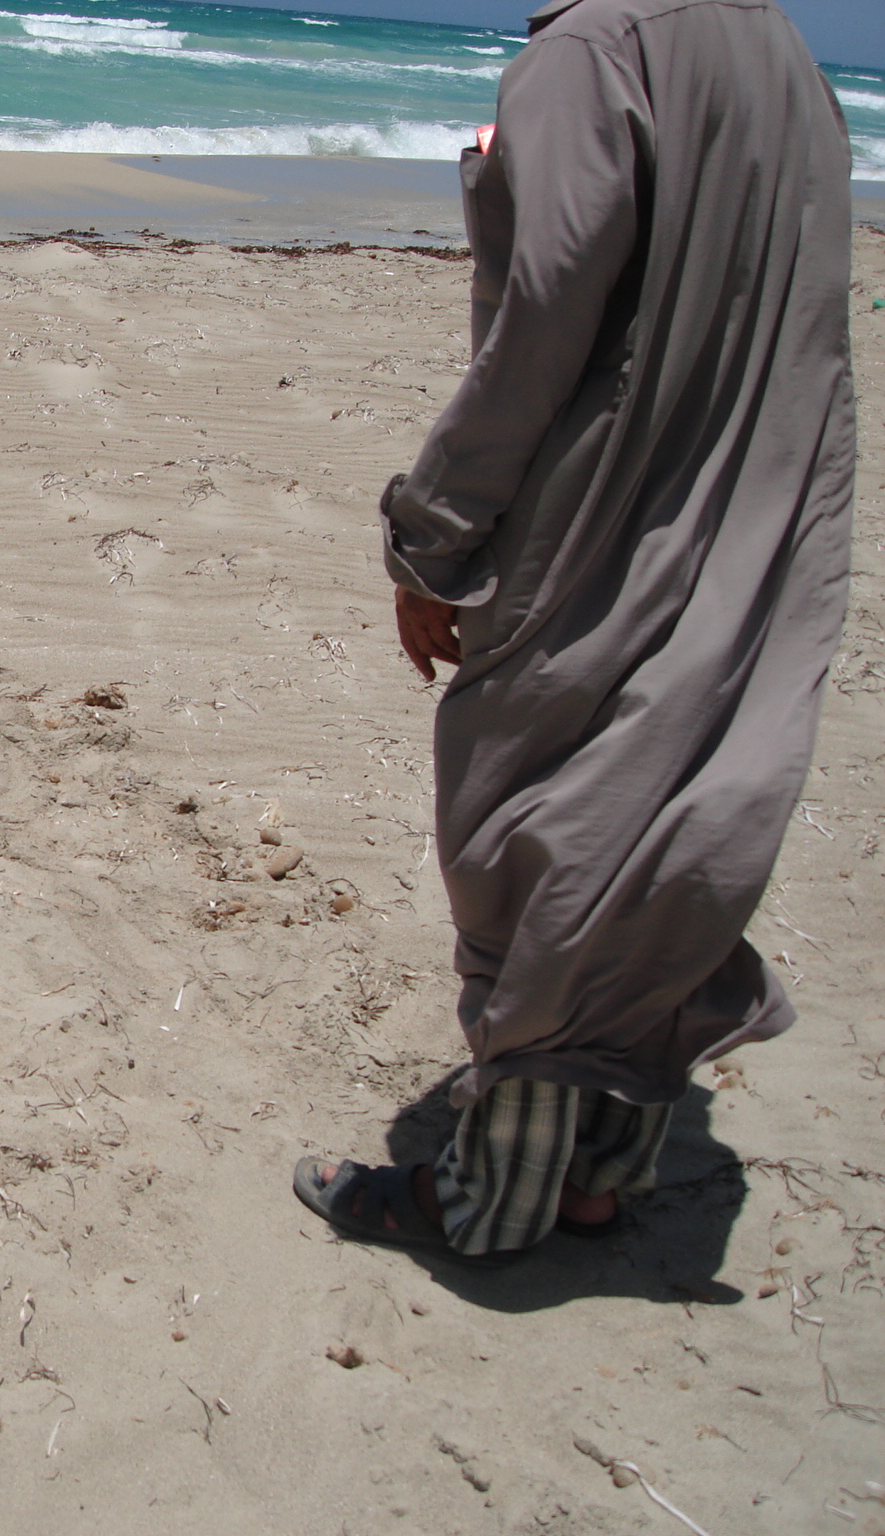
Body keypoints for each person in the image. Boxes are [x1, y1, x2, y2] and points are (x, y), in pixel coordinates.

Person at [294, 0, 856, 1267]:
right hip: (760, 504)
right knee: (662, 815)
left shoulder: (587, 56)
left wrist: (432, 537)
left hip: (606, 509)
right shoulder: (776, 50)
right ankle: (599, 1173)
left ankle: (490, 1202)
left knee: (530, 827)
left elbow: (542, 316)